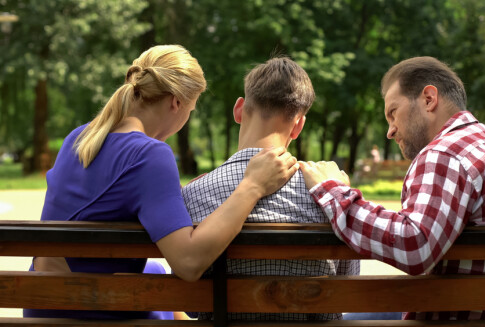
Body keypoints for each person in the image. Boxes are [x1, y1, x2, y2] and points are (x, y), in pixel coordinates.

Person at [25, 45, 299, 320]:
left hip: (44, 302)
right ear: (176, 103)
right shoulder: (149, 154)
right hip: (88, 312)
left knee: (154, 272)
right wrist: (253, 185)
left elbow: (108, 194)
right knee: (164, 287)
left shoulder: (79, 137)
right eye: (190, 110)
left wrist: (171, 192)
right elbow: (189, 263)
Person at [299, 56, 485, 320]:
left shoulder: (445, 153)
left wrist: (333, 191)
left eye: (393, 113)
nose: (390, 130)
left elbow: (415, 246)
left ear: (429, 99)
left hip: (456, 319)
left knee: (340, 317)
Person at [181, 57, 360, 321]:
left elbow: (192, 306)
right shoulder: (329, 195)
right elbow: (345, 290)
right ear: (298, 125)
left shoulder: (194, 194)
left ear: (239, 109)